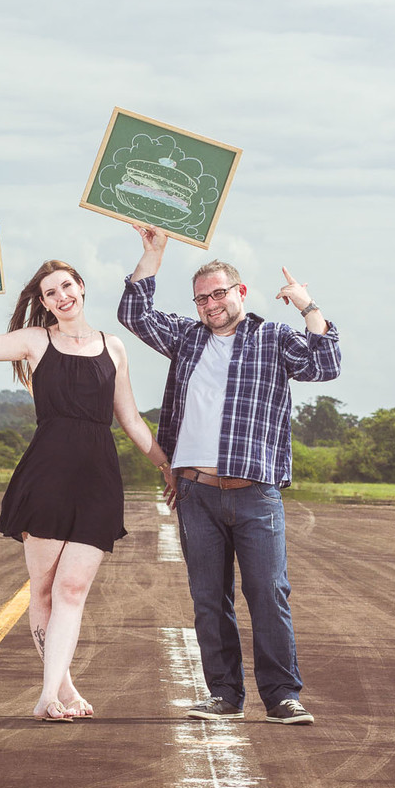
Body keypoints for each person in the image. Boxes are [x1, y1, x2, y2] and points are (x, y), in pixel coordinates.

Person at [0, 259, 173, 722]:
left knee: (72, 588)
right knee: (44, 589)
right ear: (42, 303)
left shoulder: (114, 347)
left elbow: (128, 419)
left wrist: (166, 465)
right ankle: (54, 692)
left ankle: (53, 690)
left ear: (81, 288)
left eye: (67, 286)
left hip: (98, 479)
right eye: (50, 293)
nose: (61, 296)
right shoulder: (35, 341)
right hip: (47, 474)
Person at [117, 226, 341, 725]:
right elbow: (134, 313)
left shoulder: (273, 338)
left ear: (240, 292)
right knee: (207, 600)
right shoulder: (187, 337)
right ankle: (224, 695)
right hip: (196, 492)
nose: (210, 304)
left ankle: (283, 696)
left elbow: (326, 364)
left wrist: (307, 306)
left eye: (219, 293)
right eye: (201, 298)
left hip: (255, 493)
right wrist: (152, 254)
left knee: (268, 594)